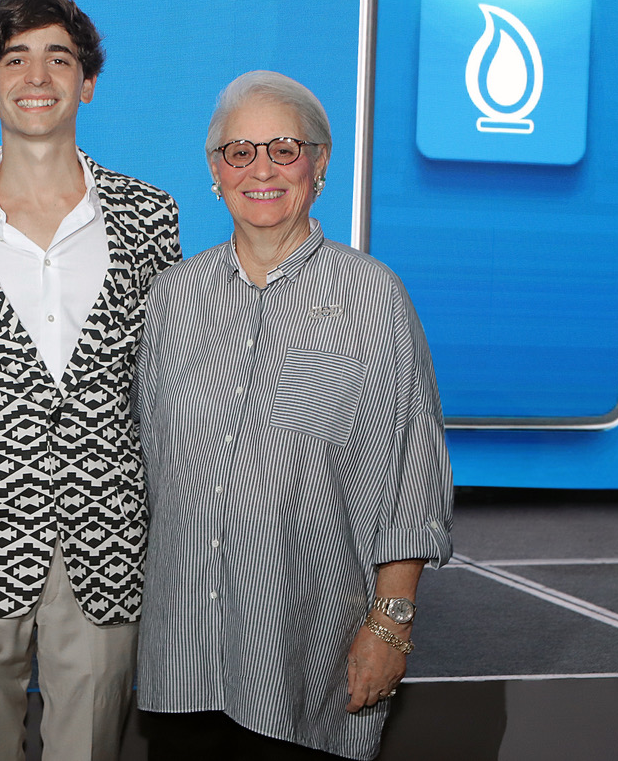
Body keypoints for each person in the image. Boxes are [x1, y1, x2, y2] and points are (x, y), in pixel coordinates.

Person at [134, 70, 454, 760]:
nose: (262, 170)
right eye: (239, 152)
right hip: (181, 661)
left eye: (284, 149)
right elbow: (153, 469)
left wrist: (391, 626)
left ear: (320, 163)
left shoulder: (373, 298)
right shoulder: (173, 298)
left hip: (308, 668)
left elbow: (410, 478)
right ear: (215, 171)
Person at [0, 0, 181, 761]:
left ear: (86, 82)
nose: (36, 76)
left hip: (109, 539)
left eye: (58, 58)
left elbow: (169, 380)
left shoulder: (149, 216)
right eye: (14, 58)